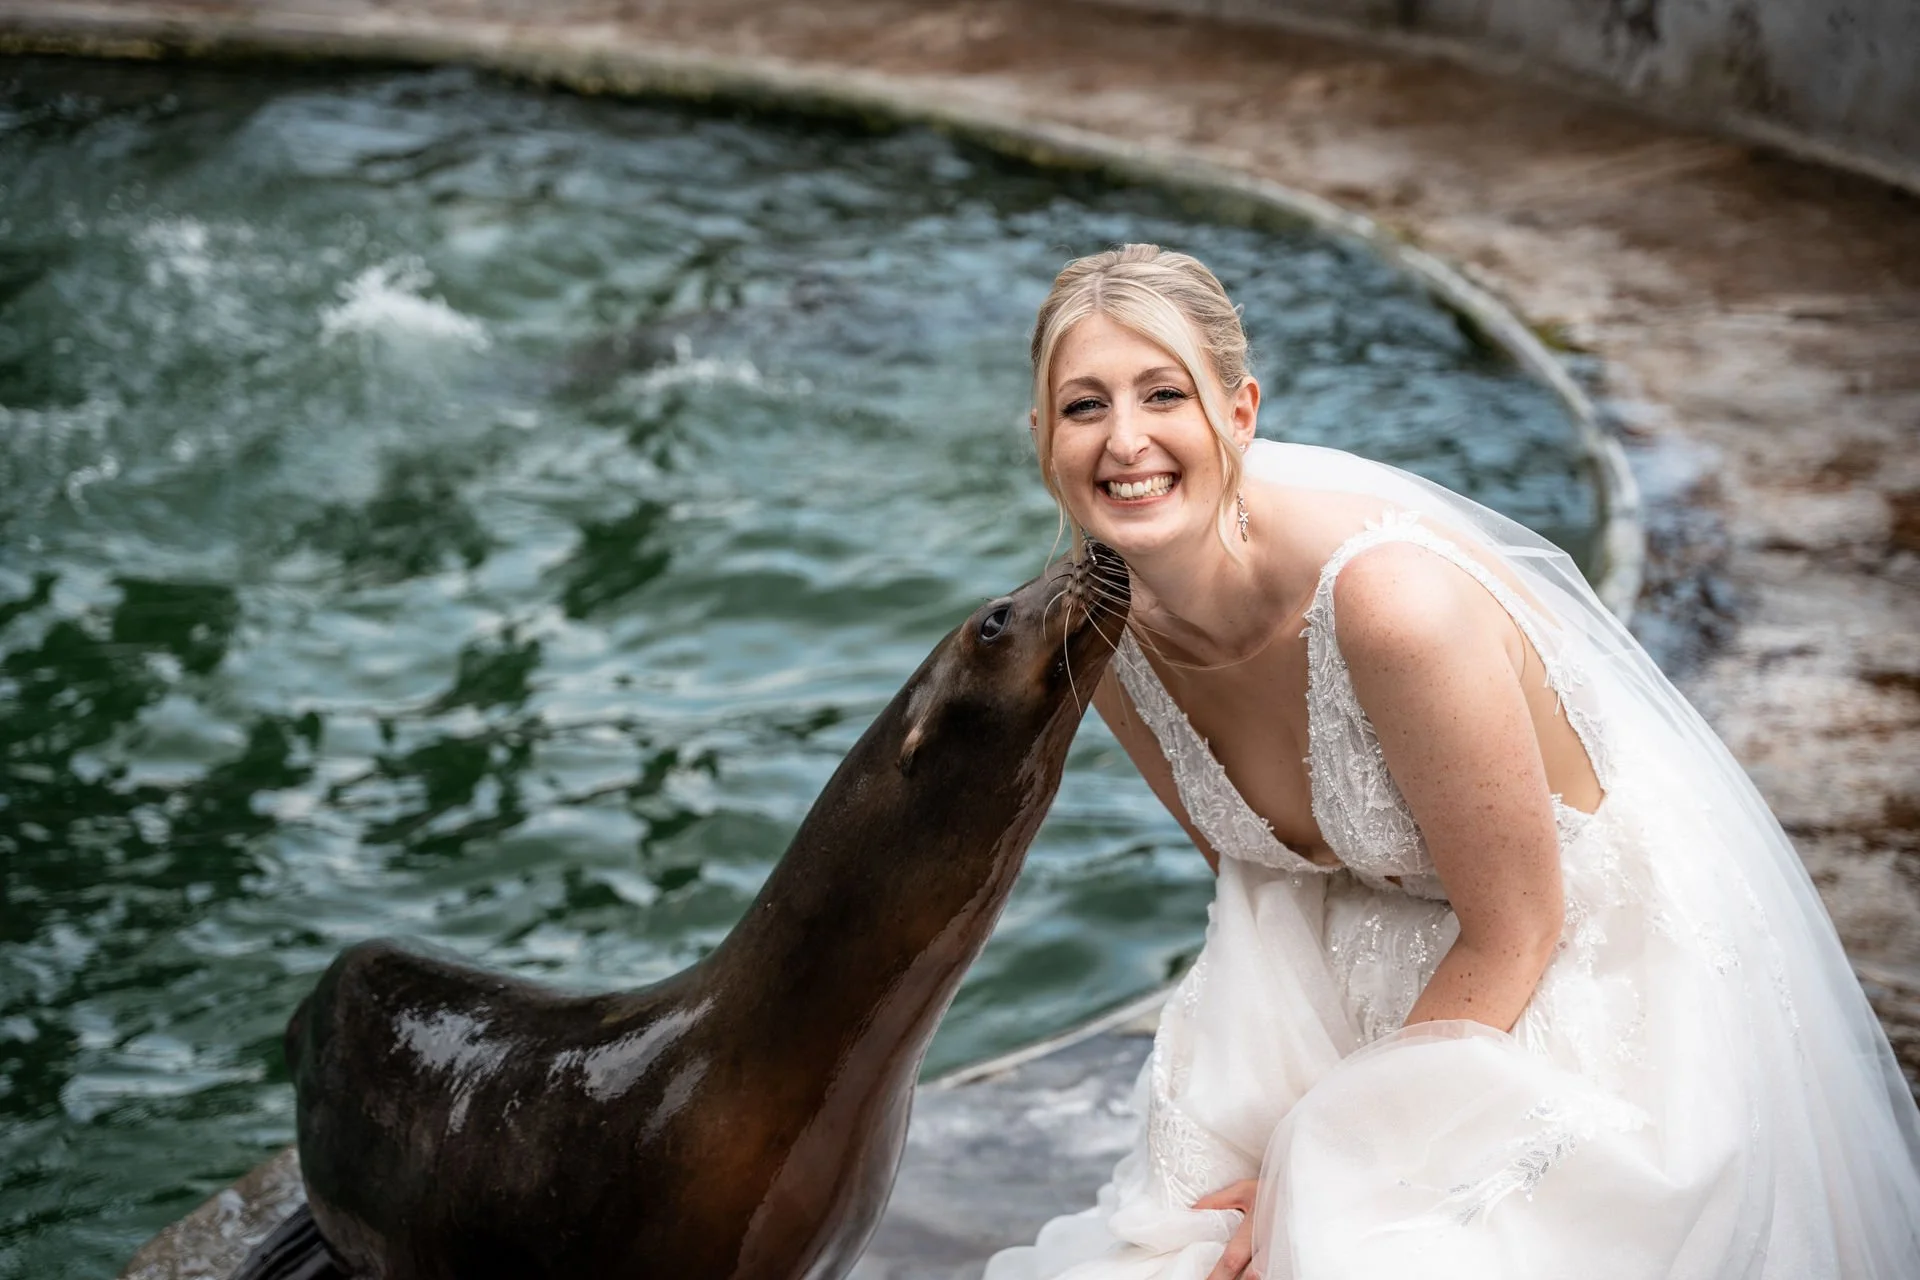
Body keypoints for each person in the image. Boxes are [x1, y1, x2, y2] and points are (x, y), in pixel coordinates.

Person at [982, 245, 1920, 1280]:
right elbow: (1255, 876)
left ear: (1238, 413)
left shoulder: (1395, 607)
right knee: (1177, 1247)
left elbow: (1522, 925)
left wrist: (1311, 1165)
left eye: (1165, 393)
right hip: (1354, 951)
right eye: (1083, 406)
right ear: (1041, 439)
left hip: (1580, 970)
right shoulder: (1097, 638)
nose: (1125, 440)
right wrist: (1254, 1119)